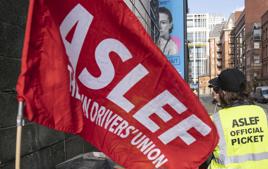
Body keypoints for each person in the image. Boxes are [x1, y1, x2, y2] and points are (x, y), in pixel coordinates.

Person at [201, 68, 268, 169]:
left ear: (223, 92)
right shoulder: (262, 113)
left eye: (216, 90)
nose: (215, 94)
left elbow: (202, 157)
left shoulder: (215, 120)